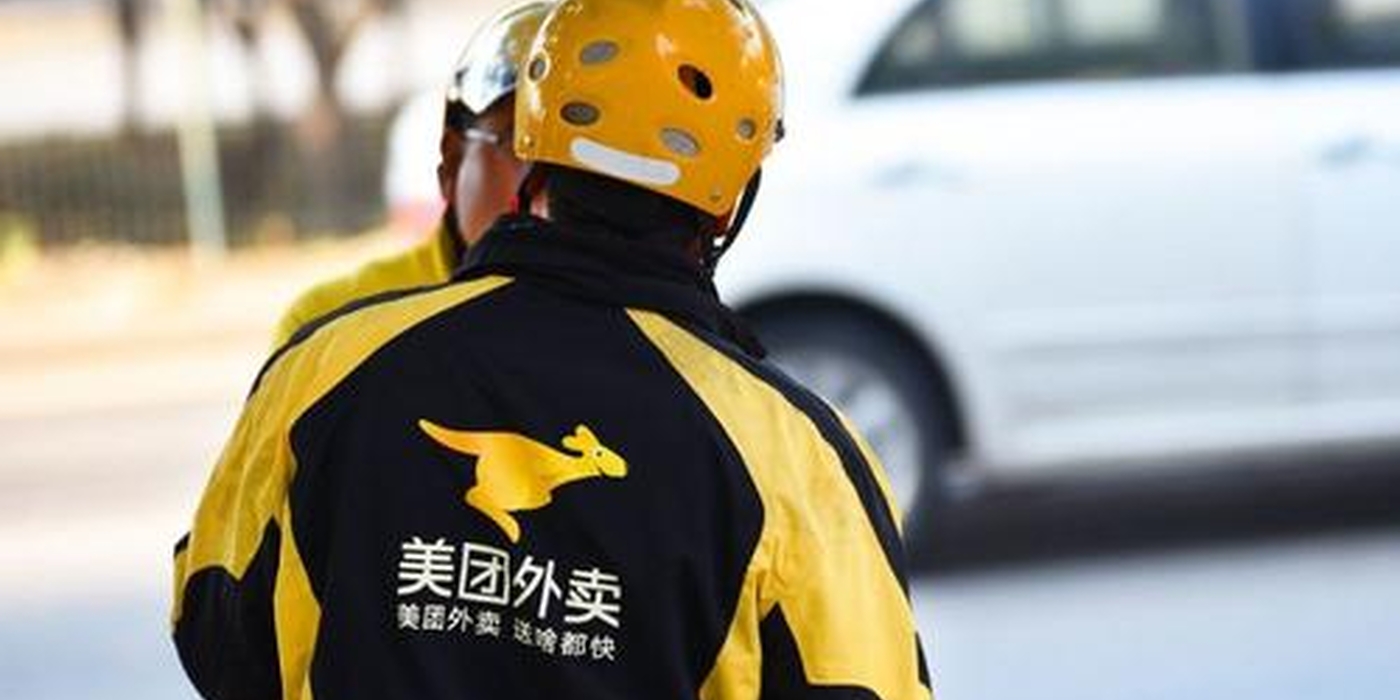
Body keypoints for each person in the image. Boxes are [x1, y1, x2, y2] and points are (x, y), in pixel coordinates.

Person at [171, 0, 933, 698]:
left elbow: (212, 616)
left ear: (533, 155)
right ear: (731, 200)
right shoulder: (795, 457)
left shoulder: (328, 369)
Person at [271, 1, 549, 347]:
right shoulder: (329, 329)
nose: (553, 187)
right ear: (452, 163)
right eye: (523, 145)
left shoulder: (615, 317)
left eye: (589, 156)